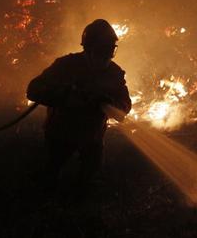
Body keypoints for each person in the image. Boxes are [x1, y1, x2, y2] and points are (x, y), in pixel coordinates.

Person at [27, 19, 132, 190]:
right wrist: (66, 96)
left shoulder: (114, 73)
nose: (106, 57)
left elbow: (124, 105)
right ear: (88, 48)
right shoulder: (66, 65)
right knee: (51, 174)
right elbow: (34, 89)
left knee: (88, 179)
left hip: (92, 137)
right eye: (101, 51)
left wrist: (109, 103)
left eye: (110, 50)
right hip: (61, 133)